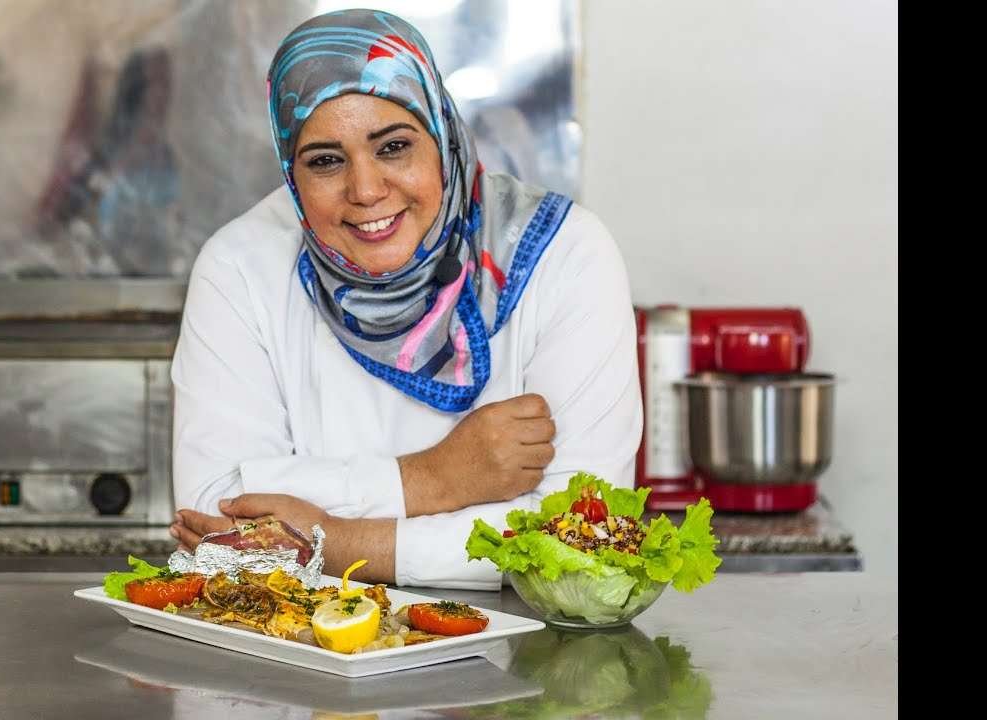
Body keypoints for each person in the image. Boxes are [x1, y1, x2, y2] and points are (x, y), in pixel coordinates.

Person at [168, 9, 641, 590]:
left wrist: (332, 540)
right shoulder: (240, 267)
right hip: (299, 642)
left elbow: (586, 535)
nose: (366, 190)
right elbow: (214, 517)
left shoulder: (565, 254)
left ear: (441, 136)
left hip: (525, 645)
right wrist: (432, 480)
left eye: (393, 147)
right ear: (291, 171)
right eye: (325, 161)